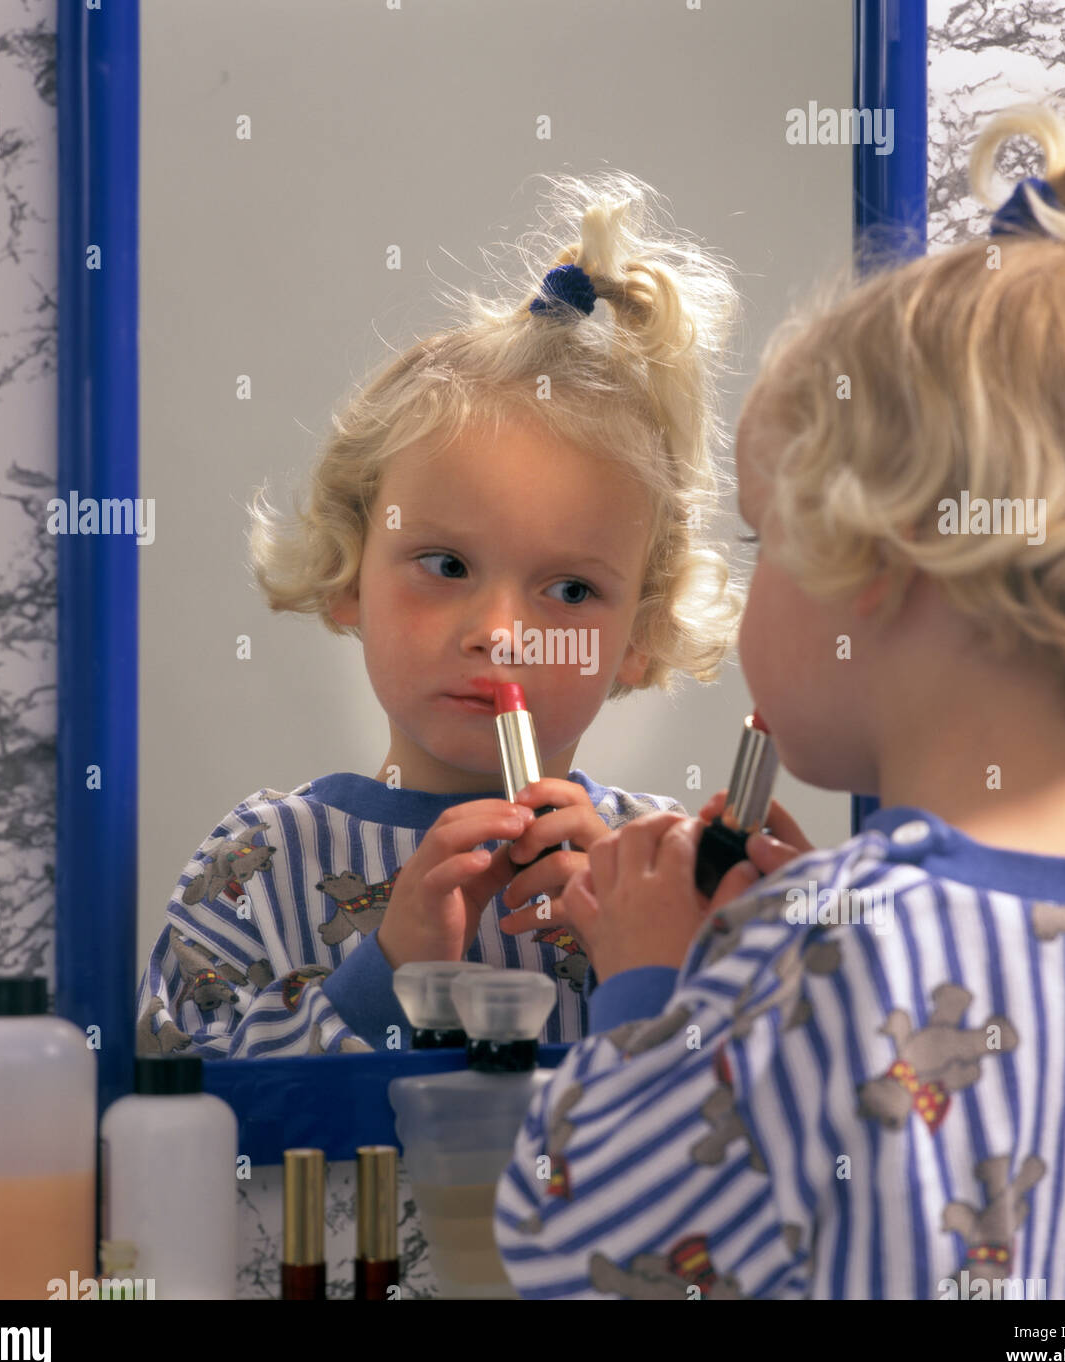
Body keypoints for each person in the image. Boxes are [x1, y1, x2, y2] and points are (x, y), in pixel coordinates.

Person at [494, 97, 1065, 1299]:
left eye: (764, 545)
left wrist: (658, 991)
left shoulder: (817, 942)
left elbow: (584, 1249)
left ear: (869, 569)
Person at [135, 174, 748, 1058]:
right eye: (446, 565)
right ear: (349, 573)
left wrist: (649, 974)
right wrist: (381, 978)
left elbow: (753, 1139)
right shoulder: (259, 865)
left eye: (570, 590)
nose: (500, 632)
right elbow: (175, 1119)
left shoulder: (663, 879)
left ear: (640, 637)